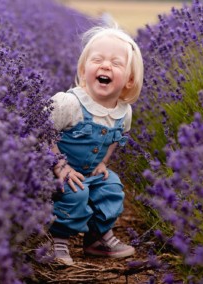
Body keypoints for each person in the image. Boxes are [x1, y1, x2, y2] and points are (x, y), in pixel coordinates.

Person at [49, 23, 144, 265]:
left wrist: (103, 162)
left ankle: (96, 238)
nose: (105, 66)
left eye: (116, 63)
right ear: (83, 69)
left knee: (111, 186)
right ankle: (57, 240)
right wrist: (58, 164)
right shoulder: (69, 104)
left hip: (89, 171)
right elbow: (41, 132)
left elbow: (115, 138)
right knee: (74, 195)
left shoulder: (124, 112)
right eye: (98, 59)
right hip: (56, 170)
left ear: (130, 80)